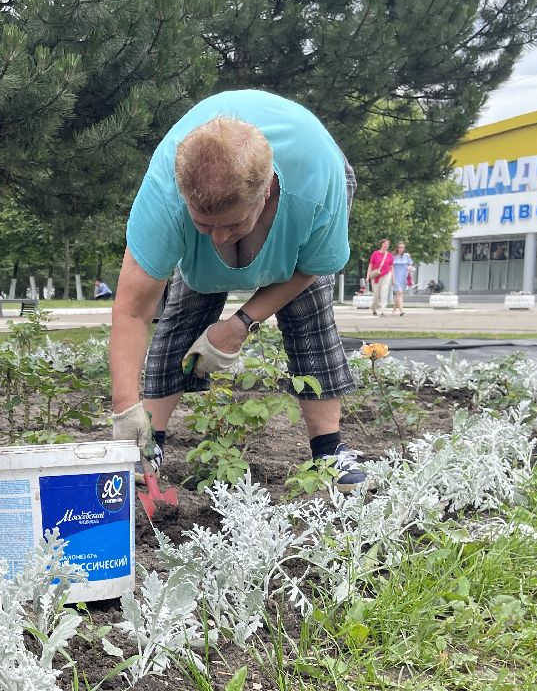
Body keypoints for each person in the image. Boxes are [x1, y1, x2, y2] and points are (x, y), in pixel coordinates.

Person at [109, 90, 368, 491]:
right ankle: (147, 449)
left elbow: (311, 269)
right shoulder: (164, 195)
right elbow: (132, 310)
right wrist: (125, 410)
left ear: (265, 194)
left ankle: (329, 451)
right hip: (207, 196)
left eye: (230, 225)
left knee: (309, 312)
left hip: (307, 178)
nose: (217, 238)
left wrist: (241, 323)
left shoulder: (317, 186)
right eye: (203, 224)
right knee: (184, 313)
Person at [366, 239, 394, 316]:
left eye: (387, 244)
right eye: (384, 244)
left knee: (384, 292)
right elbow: (371, 265)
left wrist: (393, 278)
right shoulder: (375, 254)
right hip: (376, 276)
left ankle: (382, 310)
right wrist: (368, 275)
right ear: (381, 245)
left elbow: (391, 267)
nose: (386, 245)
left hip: (387, 275)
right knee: (376, 294)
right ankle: (374, 308)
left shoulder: (389, 255)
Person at [390, 241, 413, 316]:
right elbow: (391, 267)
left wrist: (409, 267)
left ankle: (394, 310)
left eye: (402, 247)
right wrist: (392, 278)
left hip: (404, 277)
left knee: (399, 294)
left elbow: (410, 263)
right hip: (395, 277)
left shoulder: (406, 256)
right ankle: (401, 310)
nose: (401, 249)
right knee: (399, 293)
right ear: (397, 248)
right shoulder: (393, 256)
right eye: (400, 247)